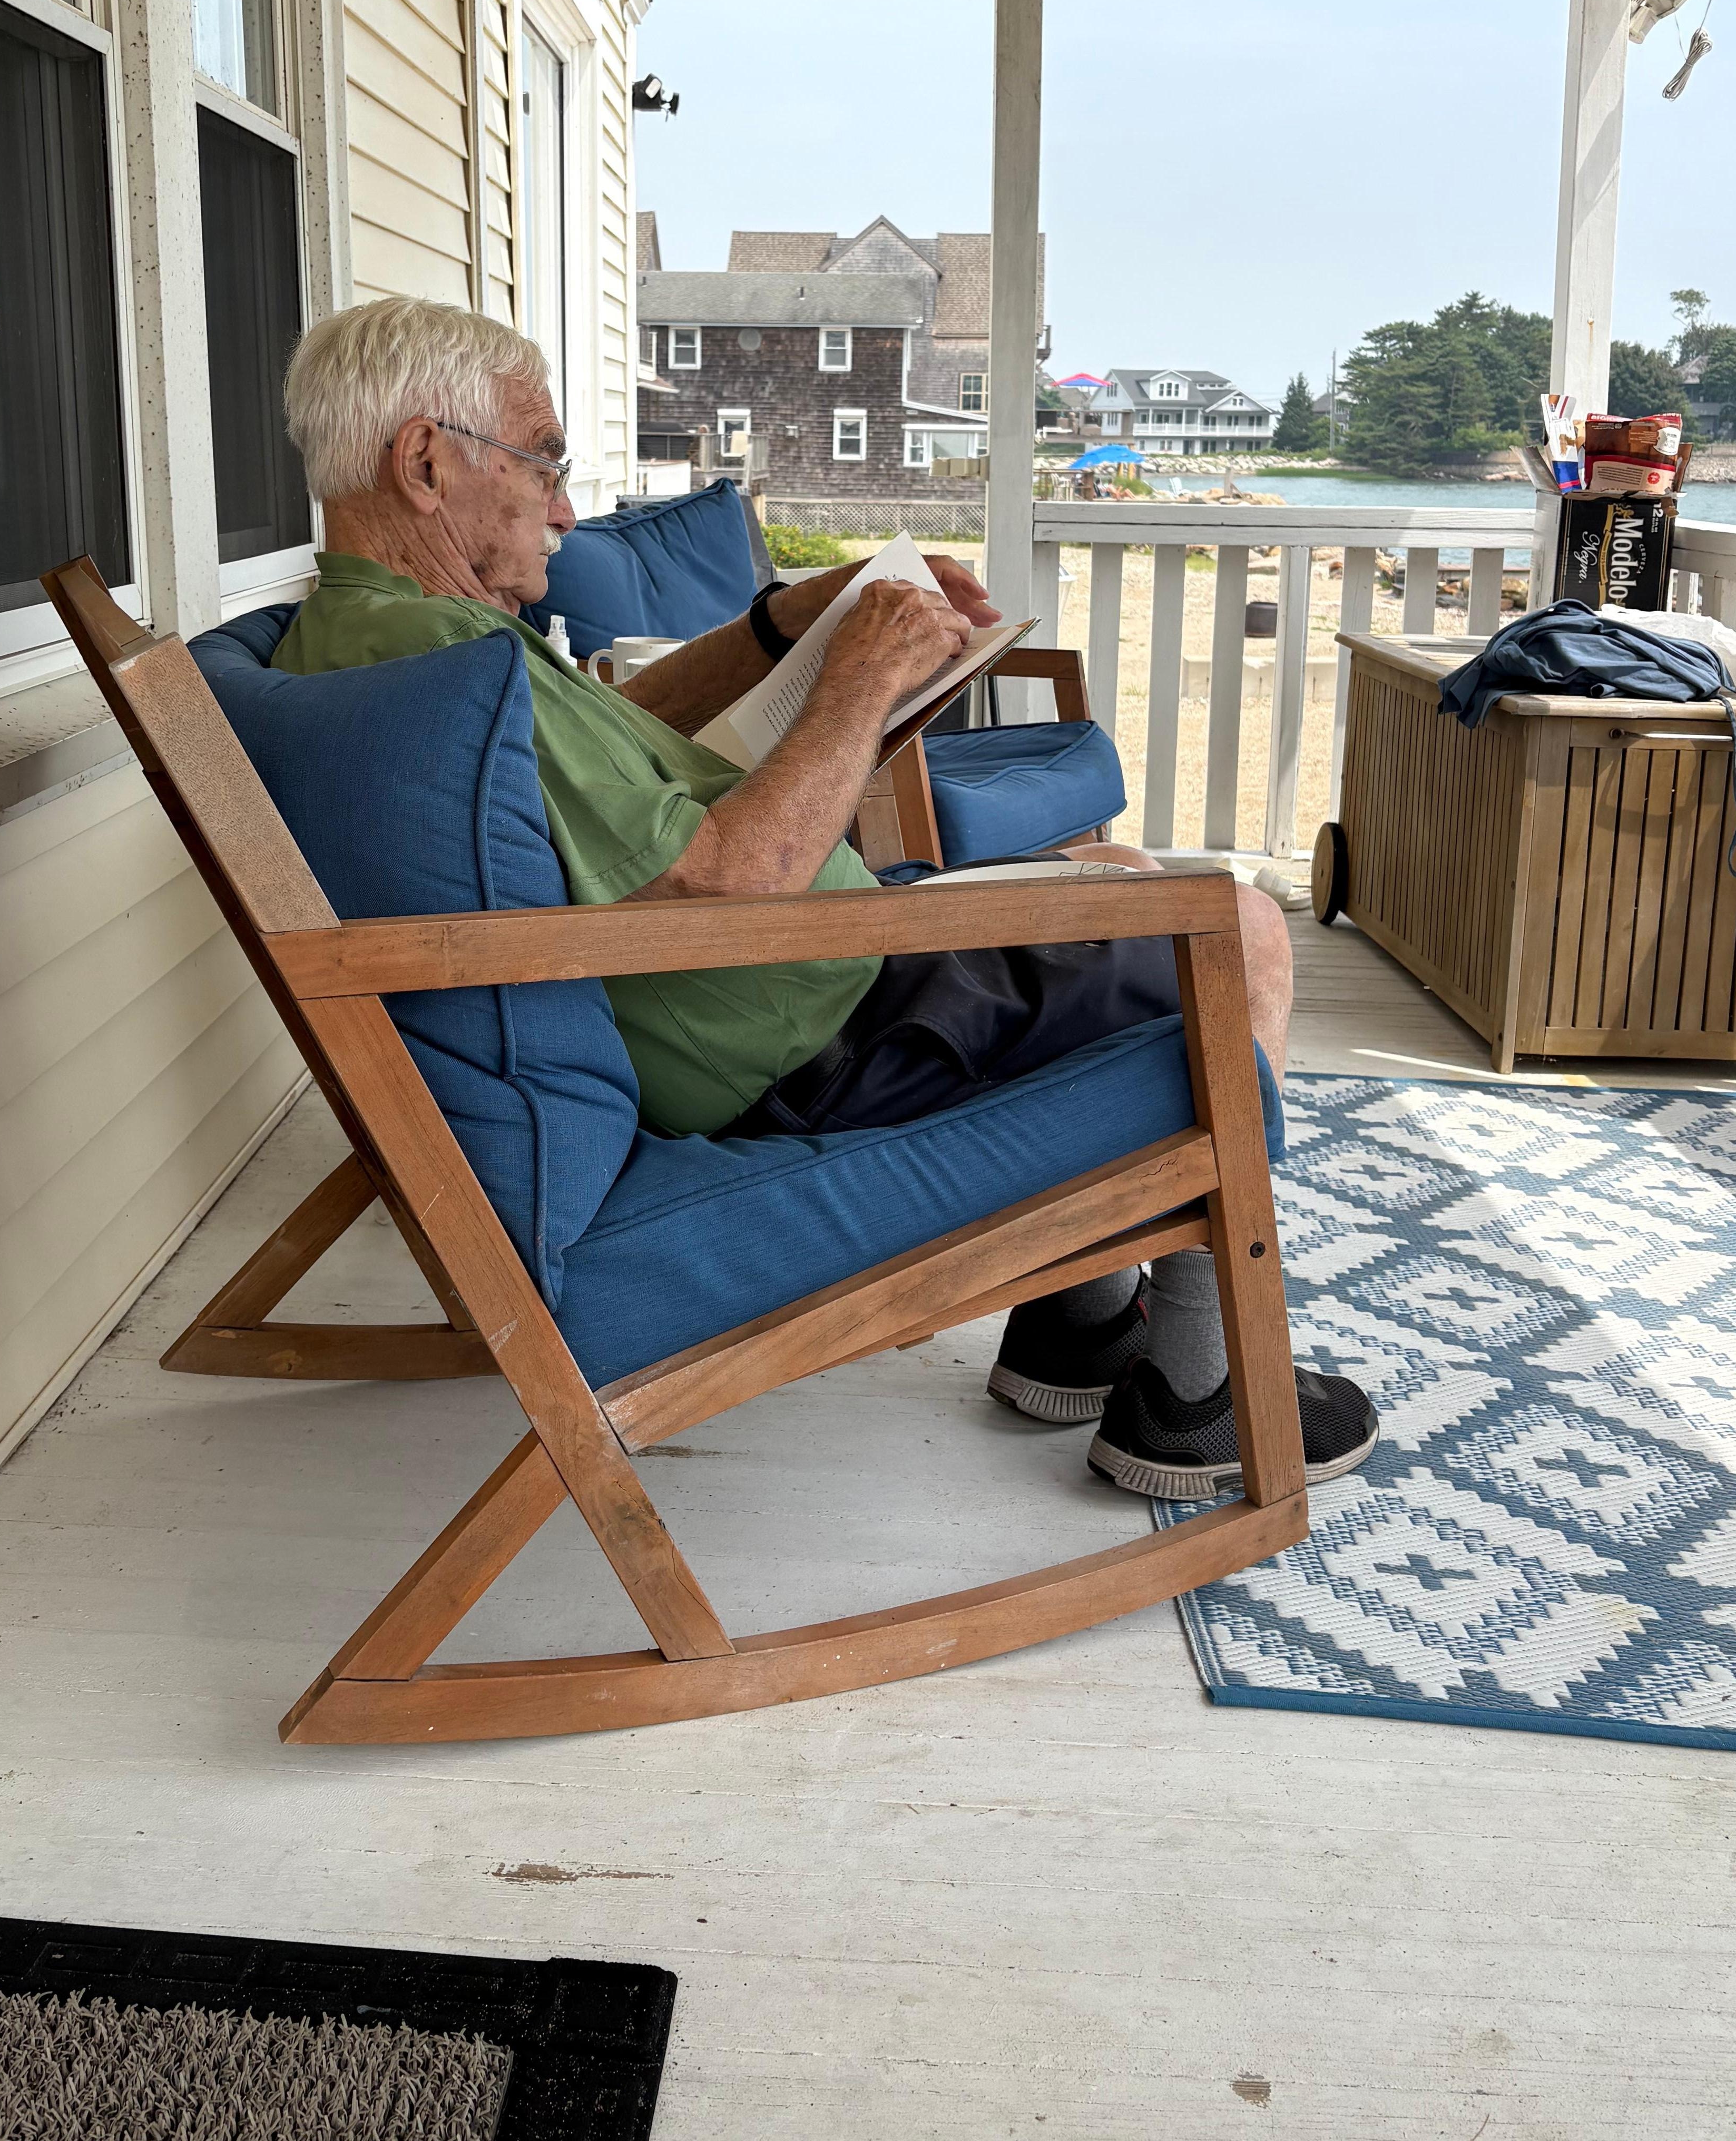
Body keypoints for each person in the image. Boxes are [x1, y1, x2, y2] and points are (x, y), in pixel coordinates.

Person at [274, 296, 1377, 1501]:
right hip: (812, 1039)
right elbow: (726, 882)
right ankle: (1203, 1395)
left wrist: (785, 624)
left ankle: (1079, 1332)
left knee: (1116, 878)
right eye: (543, 463)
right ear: (426, 464)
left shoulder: (381, 644)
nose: (566, 509)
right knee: (1240, 931)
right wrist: (860, 678)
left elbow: (610, 747)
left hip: (795, 991)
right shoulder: (454, 665)